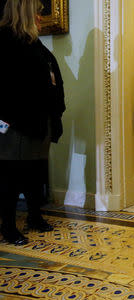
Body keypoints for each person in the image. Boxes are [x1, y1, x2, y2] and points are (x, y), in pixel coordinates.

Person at [0, 0, 65, 245]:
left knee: (35, 174)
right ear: (24, 11)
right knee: (11, 177)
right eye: (37, 12)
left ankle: (34, 217)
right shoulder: (6, 39)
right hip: (16, 124)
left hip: (39, 121)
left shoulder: (33, 41)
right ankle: (7, 227)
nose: (40, 16)